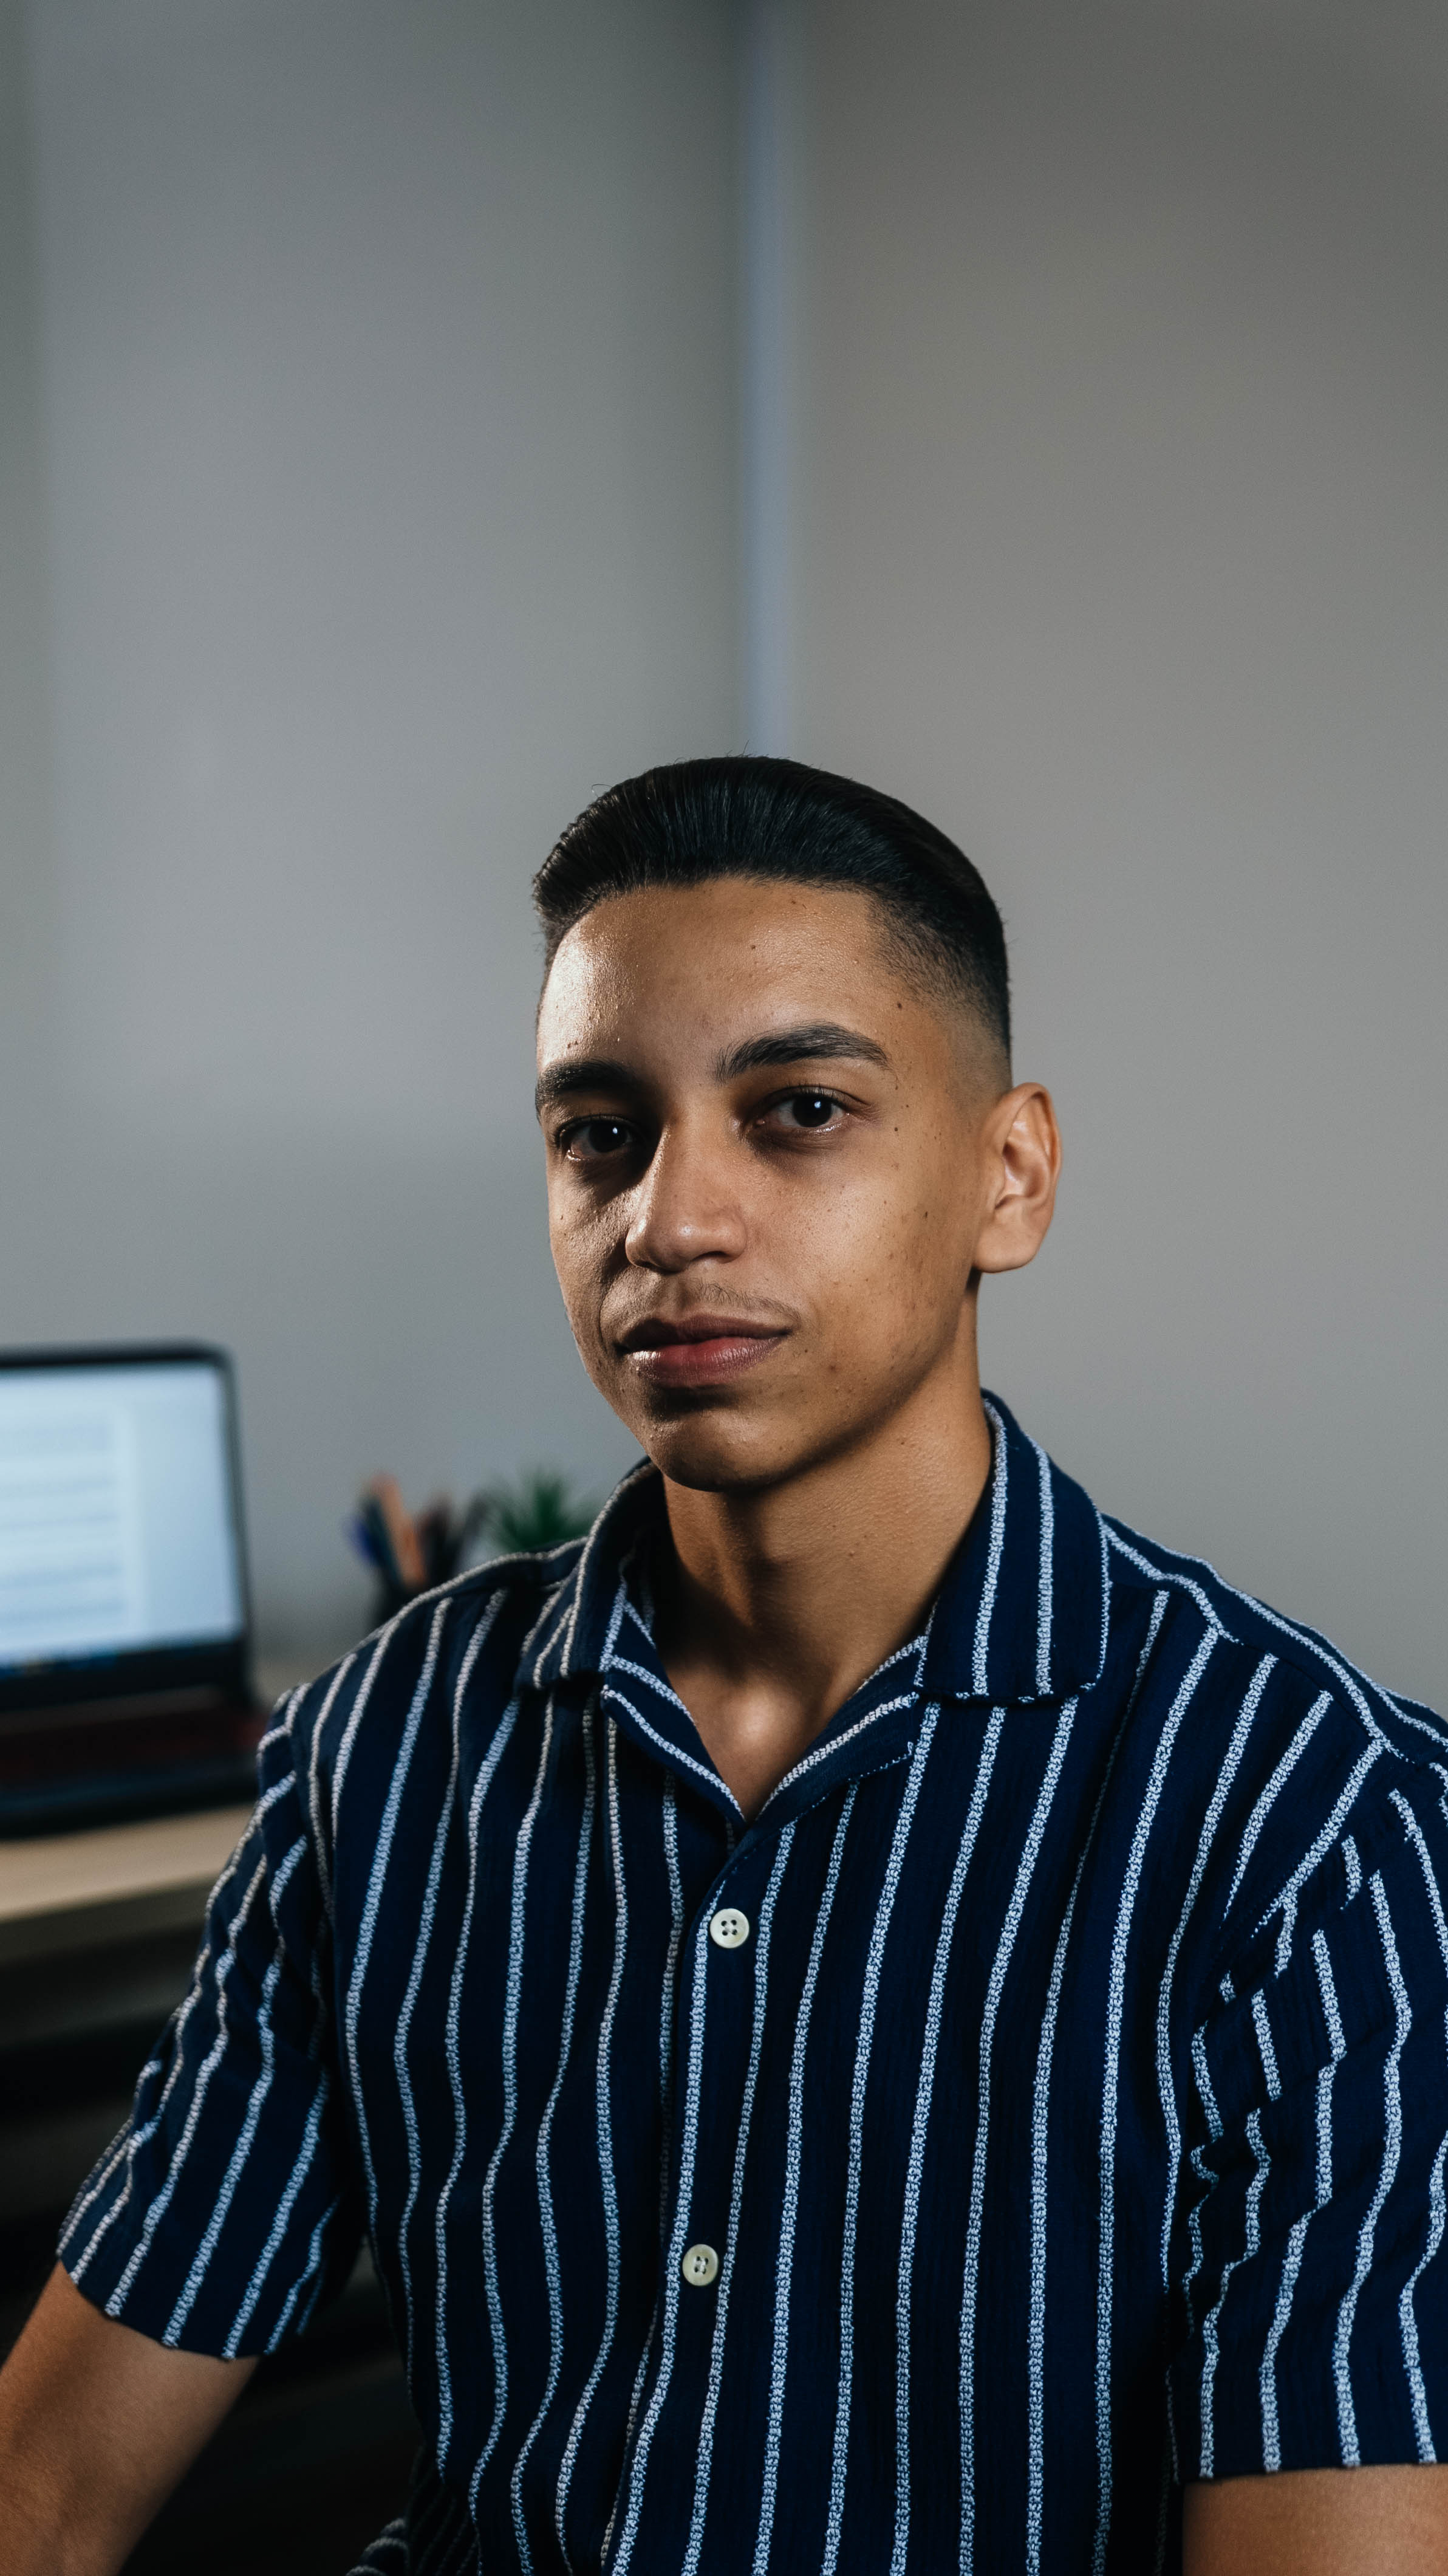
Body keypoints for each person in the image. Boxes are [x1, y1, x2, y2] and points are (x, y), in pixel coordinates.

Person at [2, 757, 1446, 2576]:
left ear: (1009, 1176)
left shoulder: (1321, 1823)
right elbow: (49, 2490)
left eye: (800, 1111)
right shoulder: (393, 1739)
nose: (668, 1222)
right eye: (601, 1133)